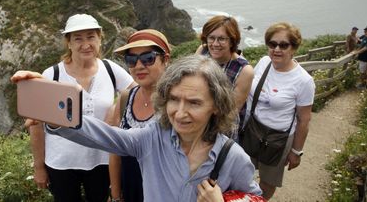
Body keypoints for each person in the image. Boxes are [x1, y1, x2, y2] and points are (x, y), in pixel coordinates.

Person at [13, 55, 262, 202]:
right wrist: (56, 114)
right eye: (174, 99)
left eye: (195, 103)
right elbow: (104, 136)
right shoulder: (152, 137)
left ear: (216, 107)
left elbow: (254, 197)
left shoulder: (233, 157)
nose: (180, 112)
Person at [27, 14, 135, 202]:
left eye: (91, 37)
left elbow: (139, 91)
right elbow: (35, 125)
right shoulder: (53, 74)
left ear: (100, 39)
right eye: (78, 38)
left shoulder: (110, 70)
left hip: (101, 160)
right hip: (61, 163)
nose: (86, 44)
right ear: (68, 43)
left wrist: (116, 108)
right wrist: (39, 166)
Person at [244, 22, 315, 200]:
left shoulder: (303, 81)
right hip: (253, 129)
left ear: (294, 48)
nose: (276, 49)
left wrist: (296, 151)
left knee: (267, 182)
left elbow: (304, 120)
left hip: (278, 138)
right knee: (242, 172)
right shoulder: (263, 62)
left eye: (283, 45)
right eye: (272, 44)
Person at [108, 29, 171, 202]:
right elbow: (115, 150)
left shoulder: (175, 101)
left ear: (165, 59)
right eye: (131, 60)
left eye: (148, 58)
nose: (139, 66)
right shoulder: (126, 98)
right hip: (130, 189)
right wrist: (115, 194)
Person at [195, 15, 254, 135]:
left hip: (221, 129)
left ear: (232, 41)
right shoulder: (203, 51)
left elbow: (231, 112)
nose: (215, 44)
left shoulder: (243, 71)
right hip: (197, 119)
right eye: (211, 38)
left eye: (222, 39)